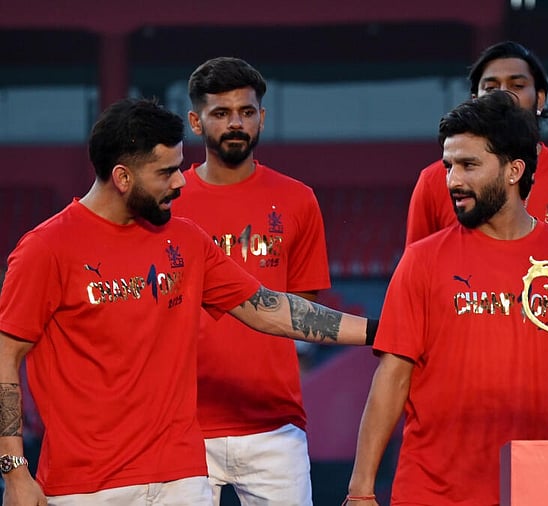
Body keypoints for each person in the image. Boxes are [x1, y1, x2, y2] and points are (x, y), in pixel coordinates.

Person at [0, 98, 375, 505]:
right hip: (84, 486)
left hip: (181, 478)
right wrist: (13, 469)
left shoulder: (186, 240)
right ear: (122, 177)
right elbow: (5, 356)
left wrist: (379, 330)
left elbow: (270, 309)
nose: (180, 182)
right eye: (166, 172)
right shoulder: (45, 250)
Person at [346, 91, 548, 505]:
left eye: (469, 165)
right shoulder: (421, 261)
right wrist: (361, 489)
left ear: (514, 170)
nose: (453, 181)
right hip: (436, 492)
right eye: (449, 166)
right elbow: (392, 378)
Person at [179, 56, 329, 506]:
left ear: (262, 118)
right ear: (196, 122)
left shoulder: (299, 200)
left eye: (246, 112)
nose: (235, 123)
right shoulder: (169, 203)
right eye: (220, 114)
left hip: (275, 425)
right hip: (183, 424)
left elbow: (301, 308)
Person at [405, 40, 548, 247]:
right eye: (491, 87)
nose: (503, 94)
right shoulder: (433, 182)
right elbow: (418, 266)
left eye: (517, 86)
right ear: (475, 99)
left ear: (540, 99)